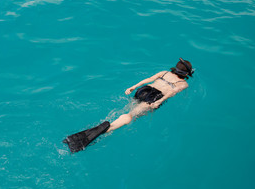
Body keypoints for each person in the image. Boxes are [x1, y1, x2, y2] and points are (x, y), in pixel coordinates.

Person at [63, 58, 194, 153]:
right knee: (131, 116)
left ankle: (110, 125)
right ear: (186, 74)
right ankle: (107, 129)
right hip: (154, 96)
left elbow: (148, 79)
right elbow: (171, 92)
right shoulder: (183, 84)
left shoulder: (164, 72)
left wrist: (133, 87)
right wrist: (159, 101)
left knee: (127, 111)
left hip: (143, 90)